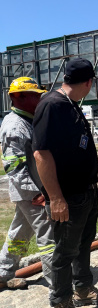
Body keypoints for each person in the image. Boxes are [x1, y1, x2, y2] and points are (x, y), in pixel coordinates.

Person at [33, 58, 98, 308]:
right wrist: (55, 198)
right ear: (89, 82)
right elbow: (41, 154)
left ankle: (83, 288)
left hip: (86, 192)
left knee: (82, 246)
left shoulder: (71, 106)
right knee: (64, 252)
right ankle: (61, 307)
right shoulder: (52, 105)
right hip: (68, 197)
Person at [0, 77, 54, 291]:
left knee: (20, 233)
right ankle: (59, 289)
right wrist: (35, 194)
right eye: (34, 94)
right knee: (50, 237)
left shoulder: (30, 120)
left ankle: (3, 273)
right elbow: (14, 167)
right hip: (32, 195)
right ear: (17, 97)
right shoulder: (15, 126)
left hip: (33, 193)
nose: (40, 97)